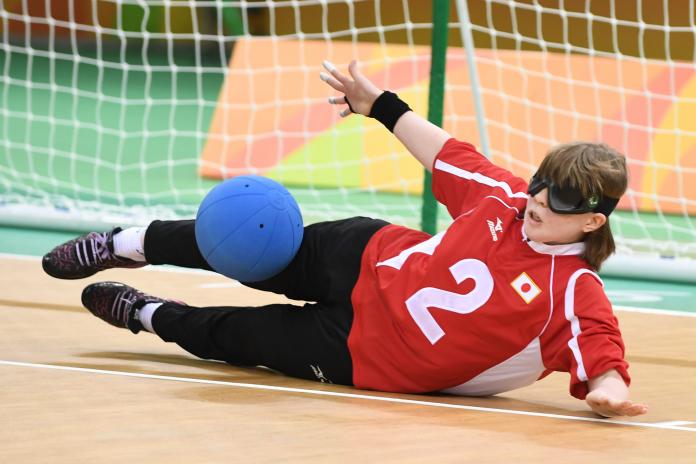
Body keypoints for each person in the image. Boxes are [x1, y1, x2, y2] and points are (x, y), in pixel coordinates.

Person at [42, 60, 648, 418]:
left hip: (367, 354)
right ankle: (126, 242)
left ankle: (145, 315)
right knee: (246, 244)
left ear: (594, 219)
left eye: (562, 198)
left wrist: (609, 392)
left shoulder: (572, 288)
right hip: (364, 256)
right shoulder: (504, 198)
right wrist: (379, 105)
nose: (539, 200)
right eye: (543, 183)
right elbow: (444, 151)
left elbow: (601, 349)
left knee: (236, 335)